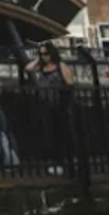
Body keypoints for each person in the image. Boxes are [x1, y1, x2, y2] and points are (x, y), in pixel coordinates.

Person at [24, 43, 74, 175]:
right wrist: (38, 59)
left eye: (46, 54)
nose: (44, 57)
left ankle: (63, 161)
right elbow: (28, 68)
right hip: (45, 103)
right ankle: (53, 161)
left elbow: (69, 82)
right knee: (48, 133)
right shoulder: (42, 67)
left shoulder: (60, 66)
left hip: (58, 103)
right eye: (41, 54)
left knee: (60, 133)